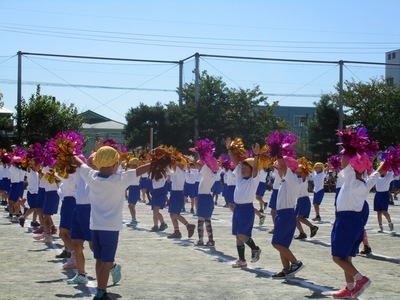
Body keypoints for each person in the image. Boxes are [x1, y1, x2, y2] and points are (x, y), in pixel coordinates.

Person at [74, 145, 151, 300]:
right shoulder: (120, 179)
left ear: (97, 163)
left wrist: (69, 153)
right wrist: (159, 161)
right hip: (110, 228)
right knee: (107, 262)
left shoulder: (92, 176)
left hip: (95, 225)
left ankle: (100, 288)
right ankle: (101, 293)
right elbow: (141, 170)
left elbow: (79, 163)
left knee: (99, 259)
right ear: (115, 164)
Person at [331, 156, 386, 298]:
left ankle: (360, 279)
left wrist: (348, 142)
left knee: (337, 257)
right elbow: (380, 171)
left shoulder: (351, 180)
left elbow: (344, 162)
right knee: (346, 257)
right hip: (356, 222)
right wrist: (389, 160)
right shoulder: (366, 182)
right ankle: (349, 289)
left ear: (353, 168)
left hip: (346, 221)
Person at [226, 138, 262, 268]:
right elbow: (235, 162)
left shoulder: (253, 180)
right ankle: (242, 260)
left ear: (252, 170)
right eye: (244, 167)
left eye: (247, 167)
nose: (243, 169)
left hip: (246, 209)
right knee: (237, 236)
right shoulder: (240, 177)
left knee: (242, 235)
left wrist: (256, 155)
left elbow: (256, 168)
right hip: (237, 209)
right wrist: (229, 149)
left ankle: (255, 248)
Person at [271, 156, 304, 279]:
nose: (277, 170)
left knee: (276, 243)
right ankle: (286, 269)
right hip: (282, 214)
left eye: (278, 167)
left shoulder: (291, 177)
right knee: (282, 244)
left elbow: (284, 166)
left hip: (286, 214)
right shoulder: (284, 181)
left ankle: (296, 263)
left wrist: (279, 153)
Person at [166, 161, 196, 239]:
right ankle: (176, 231)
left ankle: (188, 225)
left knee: (174, 214)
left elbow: (173, 164)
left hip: (177, 194)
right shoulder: (176, 172)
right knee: (172, 214)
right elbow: (169, 169)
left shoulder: (180, 172)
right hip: (174, 193)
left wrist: (172, 159)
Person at [294, 160, 319, 240]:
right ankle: (302, 233)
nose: (297, 171)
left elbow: (304, 174)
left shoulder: (303, 178)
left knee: (300, 217)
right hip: (299, 200)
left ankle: (312, 227)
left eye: (299, 170)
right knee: (294, 218)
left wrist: (304, 167)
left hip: (304, 199)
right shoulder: (296, 178)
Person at [125, 158, 141, 227]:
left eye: (131, 164)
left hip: (134, 188)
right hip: (133, 188)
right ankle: (133, 219)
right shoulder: (136, 170)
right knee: (131, 205)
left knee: (131, 205)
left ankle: (134, 220)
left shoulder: (134, 171)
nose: (130, 166)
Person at [267, 163, 280, 234]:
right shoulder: (277, 170)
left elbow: (271, 166)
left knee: (275, 211)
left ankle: (277, 227)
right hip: (276, 190)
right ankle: (276, 227)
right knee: (273, 211)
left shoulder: (279, 170)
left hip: (278, 191)